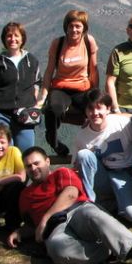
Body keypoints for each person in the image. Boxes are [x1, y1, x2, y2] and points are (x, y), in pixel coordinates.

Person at [8, 146, 132, 264]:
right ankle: (108, 250)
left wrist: (46, 217)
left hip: (77, 211)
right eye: (28, 166)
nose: (33, 168)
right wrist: (19, 233)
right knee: (56, 249)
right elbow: (32, 225)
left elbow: (71, 194)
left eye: (36, 163)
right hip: (56, 229)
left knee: (94, 215)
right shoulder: (25, 195)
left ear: (47, 161)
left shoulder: (61, 173)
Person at [72, 90, 132, 223]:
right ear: (86, 112)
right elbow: (76, 165)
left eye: (99, 108)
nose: (95, 113)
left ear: (108, 109)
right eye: (90, 109)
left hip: (124, 173)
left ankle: (112, 203)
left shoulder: (123, 124)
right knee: (84, 155)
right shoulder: (81, 136)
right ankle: (90, 204)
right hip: (101, 175)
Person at [37, 10, 99, 157]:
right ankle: (53, 141)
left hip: (83, 88)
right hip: (61, 87)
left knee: (95, 112)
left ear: (84, 27)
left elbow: (94, 70)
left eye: (78, 26)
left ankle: (95, 146)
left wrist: (95, 94)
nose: (74, 30)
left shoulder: (88, 42)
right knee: (54, 109)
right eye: (71, 26)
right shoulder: (58, 44)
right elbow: (49, 71)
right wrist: (43, 95)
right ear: (66, 27)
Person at [0, 21, 42, 152]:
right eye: (9, 36)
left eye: (16, 35)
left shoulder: (32, 60)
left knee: (26, 154)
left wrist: (34, 102)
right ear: (4, 39)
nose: (12, 39)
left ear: (22, 38)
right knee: (4, 152)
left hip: (25, 115)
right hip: (1, 114)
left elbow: (37, 82)